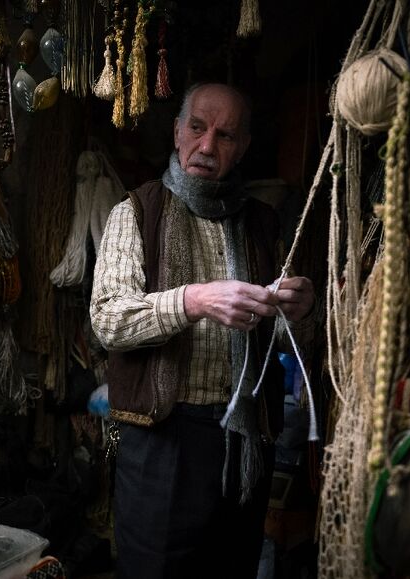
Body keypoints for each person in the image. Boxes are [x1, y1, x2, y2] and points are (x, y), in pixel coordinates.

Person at [89, 83, 315, 578]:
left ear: (243, 147)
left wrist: (295, 313)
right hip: (163, 440)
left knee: (232, 568)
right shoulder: (135, 212)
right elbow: (108, 318)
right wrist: (193, 300)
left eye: (225, 135)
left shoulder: (263, 223)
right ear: (176, 132)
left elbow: (281, 341)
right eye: (197, 128)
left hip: (245, 442)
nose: (208, 147)